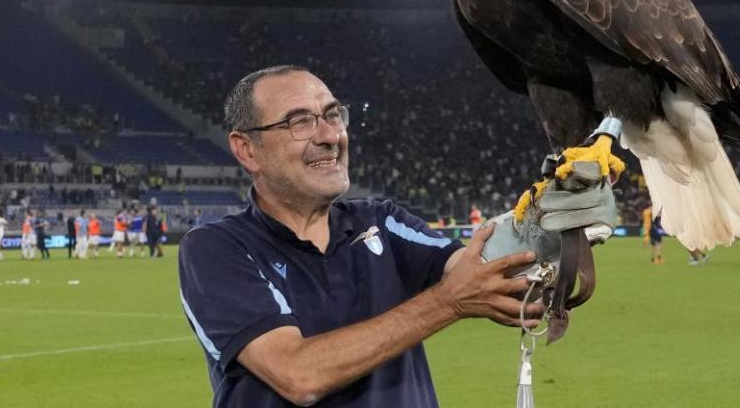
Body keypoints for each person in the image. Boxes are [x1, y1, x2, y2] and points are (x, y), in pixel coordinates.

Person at [179, 66, 543, 408]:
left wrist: (553, 225)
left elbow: (487, 270)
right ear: (247, 149)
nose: (329, 136)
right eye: (299, 122)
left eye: (333, 115)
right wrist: (447, 303)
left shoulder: (381, 222)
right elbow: (297, 374)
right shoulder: (216, 248)